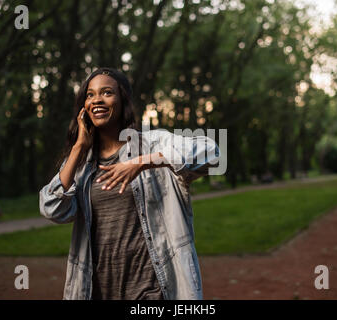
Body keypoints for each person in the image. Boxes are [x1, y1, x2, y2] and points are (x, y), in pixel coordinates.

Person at [39, 67, 220, 300]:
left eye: (106, 92)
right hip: (97, 290)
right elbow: (52, 209)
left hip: (151, 288)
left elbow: (213, 154)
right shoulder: (80, 164)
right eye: (90, 94)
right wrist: (78, 148)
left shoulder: (153, 144)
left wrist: (142, 163)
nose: (97, 100)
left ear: (123, 99)